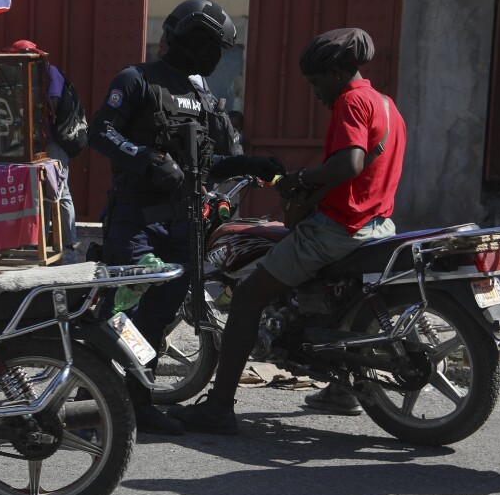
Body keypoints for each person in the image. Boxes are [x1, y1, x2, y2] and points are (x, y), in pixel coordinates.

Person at [172, 28, 405, 433]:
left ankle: (219, 407)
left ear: (335, 71)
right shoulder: (385, 104)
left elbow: (348, 165)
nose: (314, 93)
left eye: (316, 83)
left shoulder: (351, 102)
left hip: (338, 228)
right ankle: (342, 390)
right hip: (378, 225)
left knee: (246, 298)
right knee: (338, 304)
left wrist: (298, 179)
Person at [88, 0, 280, 435]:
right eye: (214, 48)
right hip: (136, 222)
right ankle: (87, 396)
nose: (218, 58)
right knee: (123, 309)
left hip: (184, 226)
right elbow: (101, 132)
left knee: (155, 320)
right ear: (191, 41)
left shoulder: (202, 97)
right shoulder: (136, 80)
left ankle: (136, 403)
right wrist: (145, 158)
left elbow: (211, 163)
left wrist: (253, 164)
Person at [12, 40, 80, 262]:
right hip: (35, 142)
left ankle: (69, 243)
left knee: (60, 190)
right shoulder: (20, 76)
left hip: (54, 141)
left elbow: (52, 103)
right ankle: (48, 240)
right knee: (42, 192)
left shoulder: (51, 72)